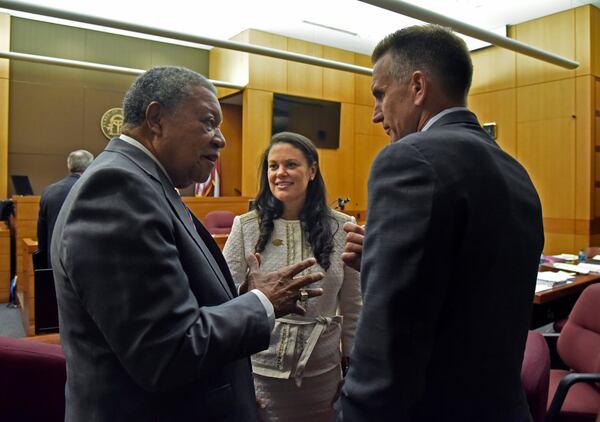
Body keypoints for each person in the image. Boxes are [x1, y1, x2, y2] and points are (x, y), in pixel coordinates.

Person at [50, 66, 324, 422]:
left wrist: (240, 300)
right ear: (156, 119)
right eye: (209, 122)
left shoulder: (147, 183)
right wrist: (261, 303)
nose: (221, 139)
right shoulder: (118, 189)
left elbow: (173, 308)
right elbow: (167, 351)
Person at [335, 25, 544, 421]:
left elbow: (389, 341)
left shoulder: (409, 158)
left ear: (417, 87)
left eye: (380, 94)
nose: (376, 113)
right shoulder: (517, 172)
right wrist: (381, 265)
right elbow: (472, 289)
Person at [223, 132, 361, 422]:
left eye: (290, 165)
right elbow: (223, 302)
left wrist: (353, 370)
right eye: (273, 166)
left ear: (312, 171)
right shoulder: (246, 226)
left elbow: (353, 307)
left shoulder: (343, 226)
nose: (280, 173)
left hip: (322, 376)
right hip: (260, 374)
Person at [36, 149, 94, 267]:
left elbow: (42, 234)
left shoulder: (48, 191)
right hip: (82, 265)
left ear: (68, 165)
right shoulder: (91, 191)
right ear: (91, 166)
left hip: (52, 262)